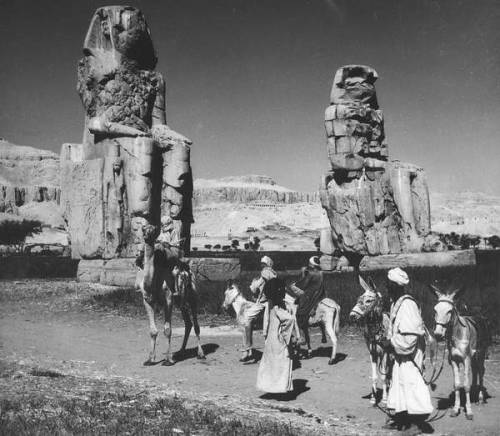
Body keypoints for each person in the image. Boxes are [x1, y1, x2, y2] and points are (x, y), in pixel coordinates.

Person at [381, 267, 433, 433]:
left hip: (409, 356)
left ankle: (417, 424)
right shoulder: (396, 303)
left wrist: (391, 343)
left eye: (389, 284)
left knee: (412, 385)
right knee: (399, 384)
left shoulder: (408, 305)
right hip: (400, 354)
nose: (387, 287)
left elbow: (410, 338)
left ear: (396, 285)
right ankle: (402, 418)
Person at [256, 278, 295, 394]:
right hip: (279, 339)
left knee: (271, 363)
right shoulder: (279, 308)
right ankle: (280, 388)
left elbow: (267, 322)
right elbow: (289, 319)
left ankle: (270, 387)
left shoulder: (270, 305)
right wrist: (285, 334)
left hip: (271, 339)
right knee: (282, 362)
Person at [239, 256, 277, 362]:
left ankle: (249, 349)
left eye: (264, 265)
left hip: (266, 303)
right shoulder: (272, 273)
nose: (262, 267)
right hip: (266, 302)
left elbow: (255, 288)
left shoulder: (266, 273)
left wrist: (254, 285)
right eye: (262, 265)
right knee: (250, 320)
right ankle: (248, 349)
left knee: (250, 320)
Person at [289, 256, 326, 343]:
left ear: (312, 265)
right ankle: (323, 334)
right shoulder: (321, 273)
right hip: (320, 293)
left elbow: (304, 284)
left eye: (310, 264)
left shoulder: (310, 273)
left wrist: (294, 284)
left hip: (310, 295)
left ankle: (302, 336)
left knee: (299, 313)